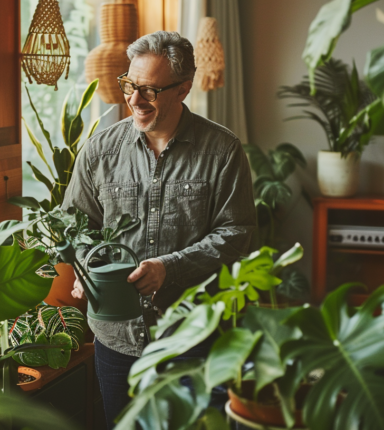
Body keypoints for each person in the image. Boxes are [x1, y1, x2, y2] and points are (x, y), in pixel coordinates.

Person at [62, 30, 256, 428]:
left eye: (149, 90)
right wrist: (85, 267)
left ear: (183, 88)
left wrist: (170, 267)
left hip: (193, 336)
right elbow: (75, 227)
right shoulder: (100, 150)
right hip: (117, 338)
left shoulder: (222, 150)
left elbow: (237, 234)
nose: (134, 99)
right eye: (130, 85)